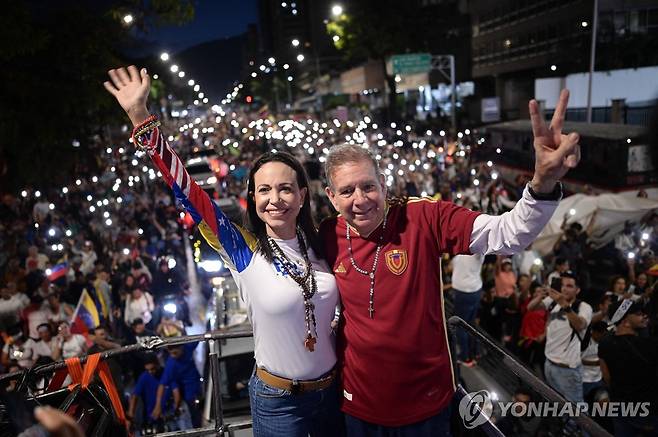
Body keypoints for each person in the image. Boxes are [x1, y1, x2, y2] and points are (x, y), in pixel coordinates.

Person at [320, 89, 581, 434]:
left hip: (425, 406)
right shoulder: (325, 233)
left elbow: (507, 235)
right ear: (331, 197)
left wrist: (543, 184)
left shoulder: (423, 216)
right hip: (359, 405)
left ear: (383, 185)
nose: (360, 200)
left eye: (368, 186)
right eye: (347, 191)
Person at [104, 65, 342, 436]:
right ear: (253, 199)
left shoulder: (326, 242)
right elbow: (191, 196)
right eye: (264, 190)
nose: (275, 199)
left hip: (333, 395)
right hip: (279, 404)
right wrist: (141, 117)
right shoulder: (243, 249)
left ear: (302, 195)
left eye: (285, 188)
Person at [527, 272, 592, 403]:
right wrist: (541, 295)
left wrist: (565, 306)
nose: (564, 289)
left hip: (567, 370)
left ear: (577, 290)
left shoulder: (583, 307)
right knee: (555, 403)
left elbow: (580, 325)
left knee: (575, 411)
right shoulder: (552, 301)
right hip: (549, 363)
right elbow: (531, 308)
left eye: (569, 286)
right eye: (562, 285)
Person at [599, 299, 658, 436]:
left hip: (620, 408)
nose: (644, 316)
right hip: (648, 412)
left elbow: (606, 377)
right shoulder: (649, 345)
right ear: (624, 320)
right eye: (638, 313)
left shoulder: (604, 343)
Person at [450, 254, 484, 366]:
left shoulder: (477, 250)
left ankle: (465, 357)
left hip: (465, 292)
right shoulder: (463, 254)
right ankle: (474, 352)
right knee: (470, 324)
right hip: (473, 290)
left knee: (461, 326)